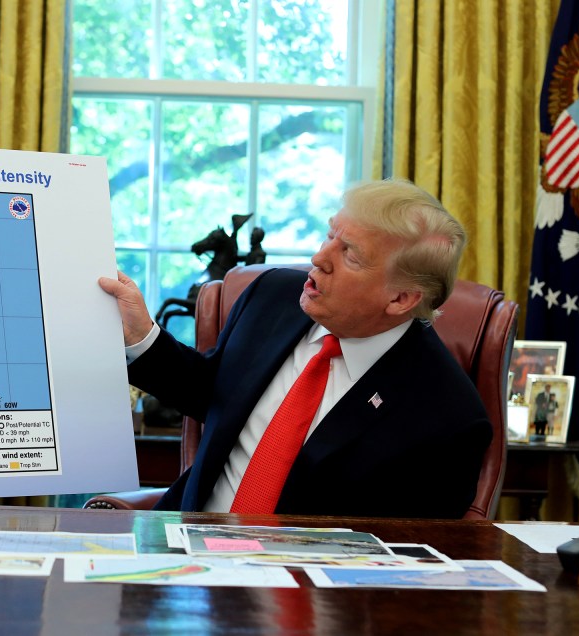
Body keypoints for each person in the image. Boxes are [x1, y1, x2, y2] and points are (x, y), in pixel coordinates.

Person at [99, 178, 492, 519]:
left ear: (401, 298)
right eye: (330, 235)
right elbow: (212, 392)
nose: (319, 258)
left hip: (305, 577)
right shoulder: (273, 296)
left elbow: (407, 556)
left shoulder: (449, 418)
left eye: (350, 254)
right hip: (188, 543)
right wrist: (141, 335)